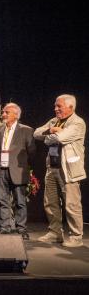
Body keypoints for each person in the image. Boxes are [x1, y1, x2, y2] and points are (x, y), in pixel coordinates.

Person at [34, 94, 86, 248]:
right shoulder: (53, 121)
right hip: (52, 167)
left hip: (68, 169)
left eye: (59, 106)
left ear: (71, 107)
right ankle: (55, 232)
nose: (55, 109)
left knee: (71, 204)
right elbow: (36, 133)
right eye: (55, 106)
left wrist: (51, 135)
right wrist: (51, 129)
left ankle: (76, 236)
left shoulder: (77, 123)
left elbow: (59, 138)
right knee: (50, 202)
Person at [0, 103, 35, 240]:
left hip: (17, 169)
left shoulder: (26, 130)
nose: (3, 114)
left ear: (16, 115)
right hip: (1, 169)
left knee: (20, 201)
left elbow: (32, 151)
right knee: (3, 200)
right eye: (3, 112)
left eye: (7, 112)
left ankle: (21, 229)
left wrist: (23, 165)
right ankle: (5, 227)